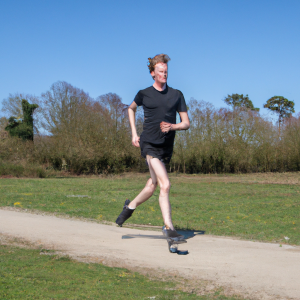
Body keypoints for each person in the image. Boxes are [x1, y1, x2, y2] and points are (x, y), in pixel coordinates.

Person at [116, 54, 190, 240]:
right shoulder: (144, 94)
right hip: (149, 143)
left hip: (165, 147)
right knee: (165, 184)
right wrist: (134, 133)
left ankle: (129, 207)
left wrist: (173, 126)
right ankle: (169, 227)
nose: (164, 74)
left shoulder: (176, 95)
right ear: (153, 73)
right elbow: (130, 109)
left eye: (166, 71)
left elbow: (186, 123)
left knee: (152, 185)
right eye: (160, 71)